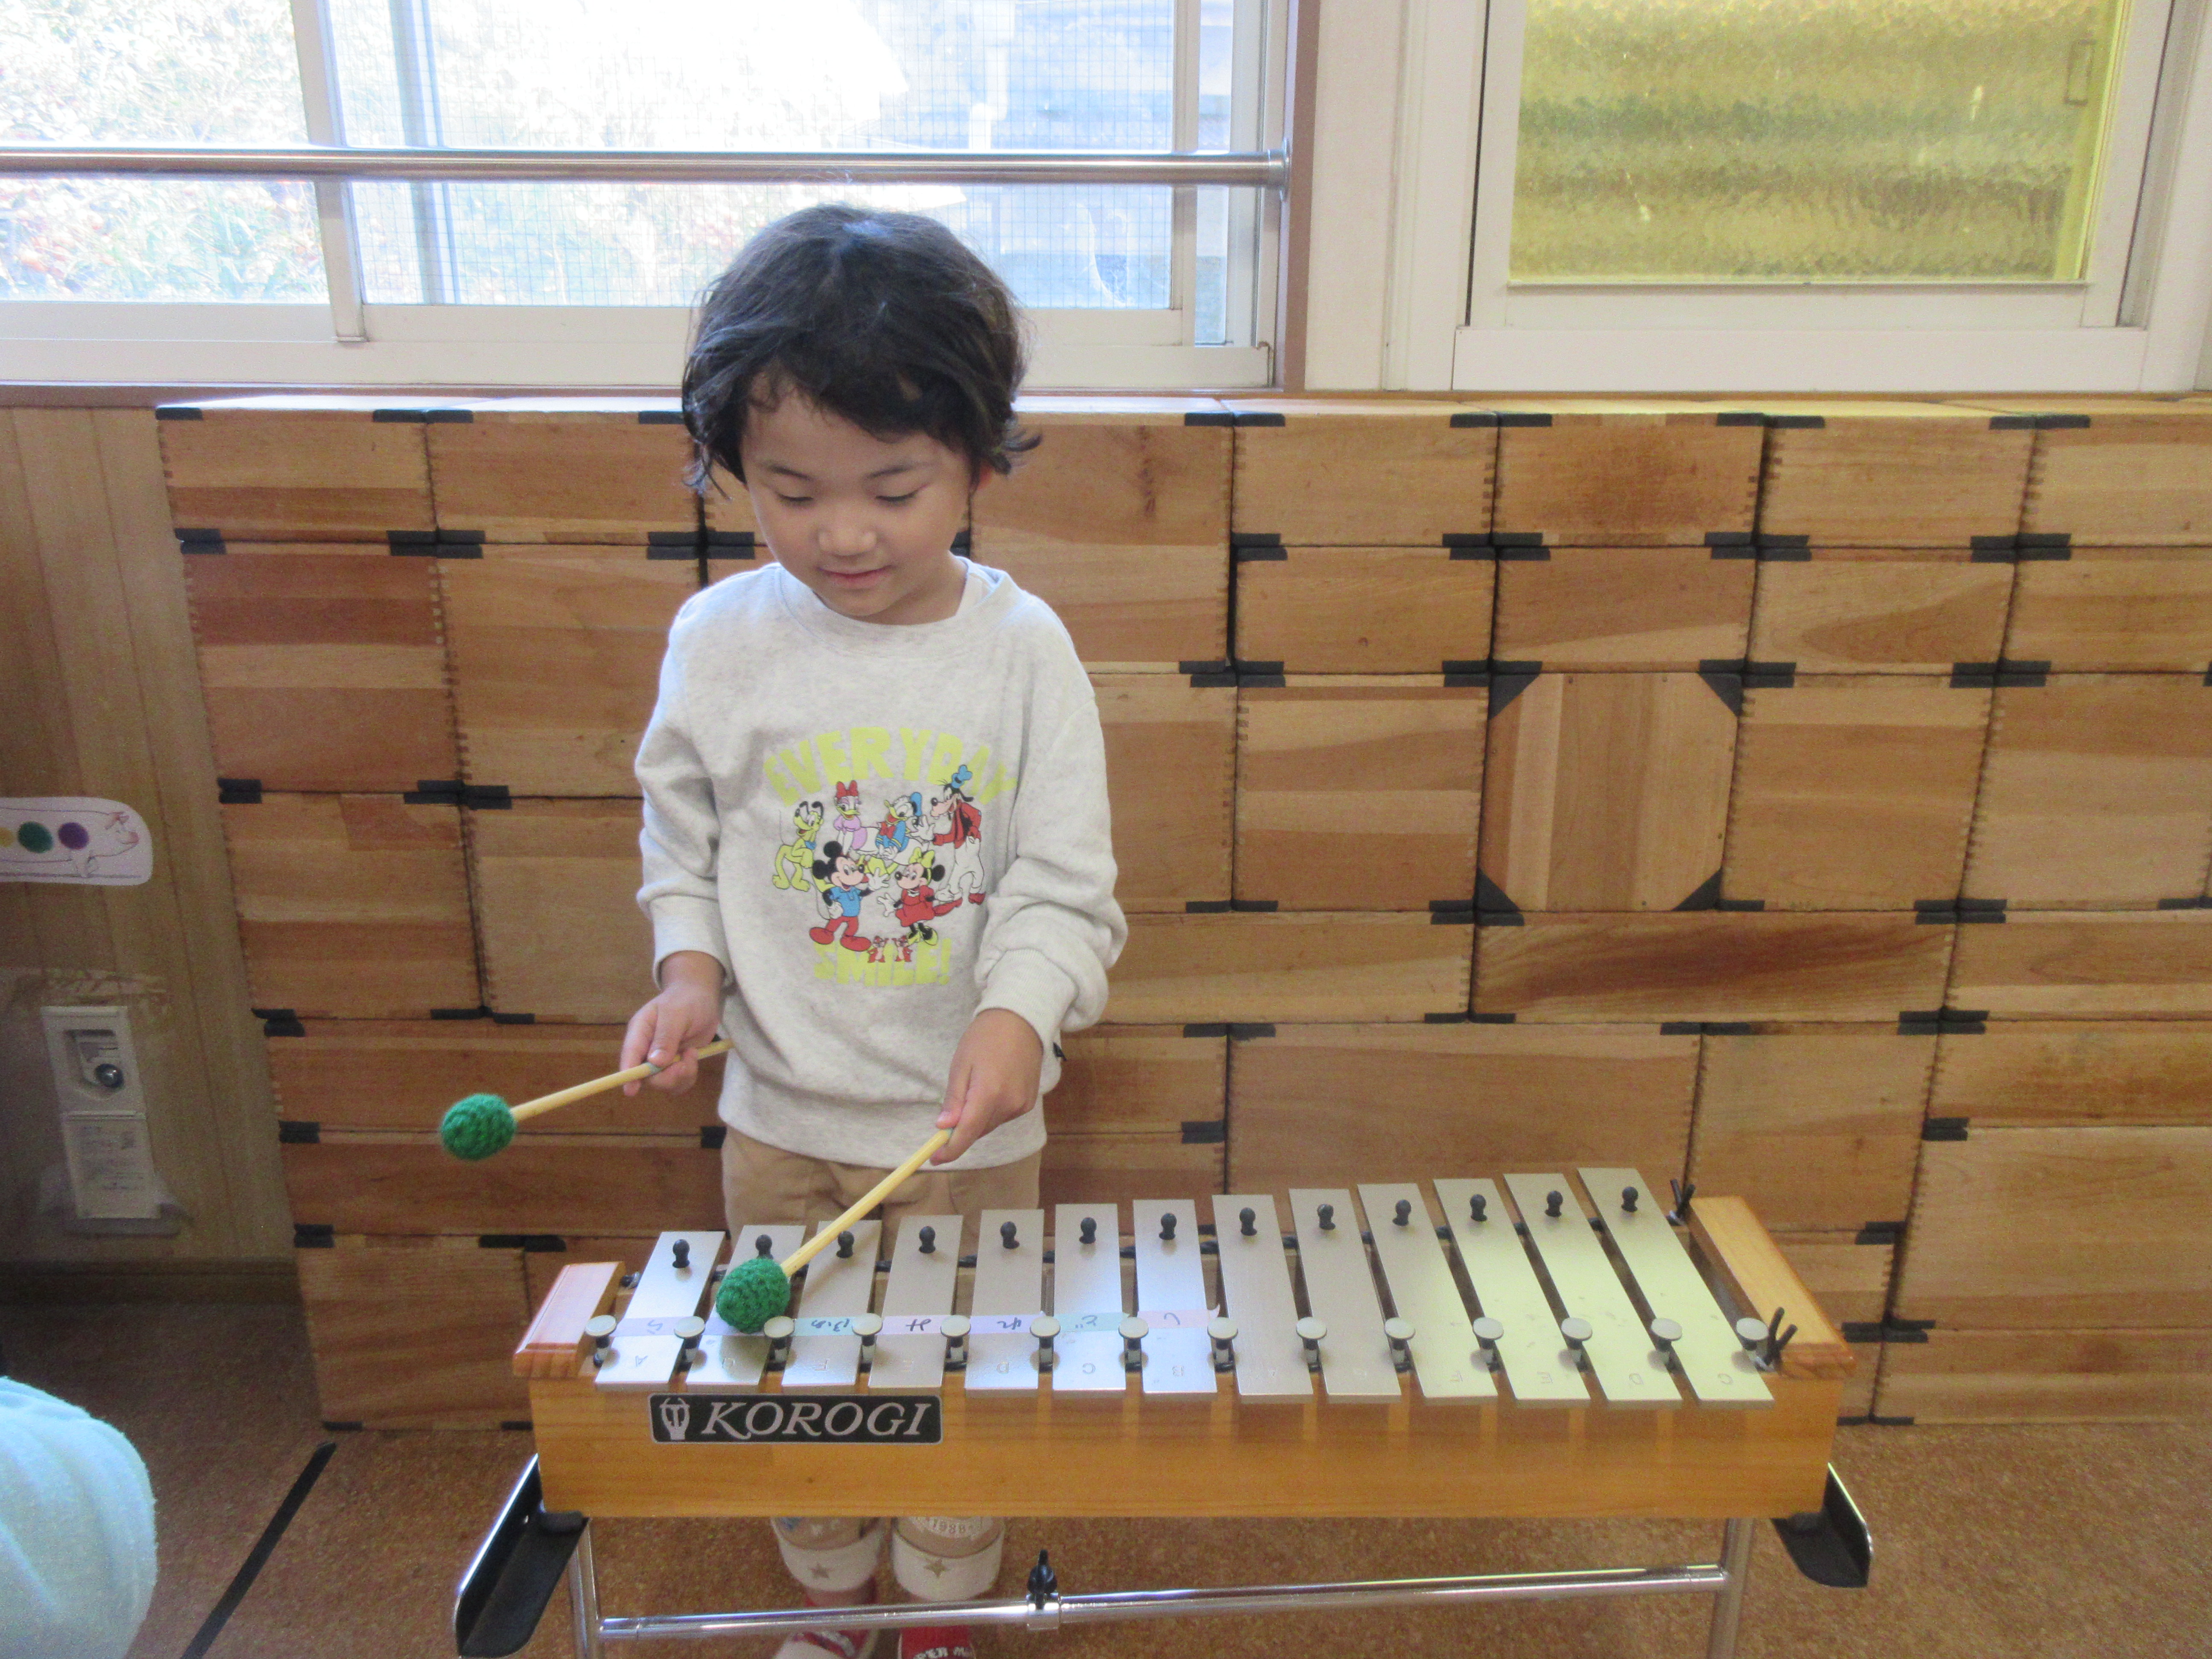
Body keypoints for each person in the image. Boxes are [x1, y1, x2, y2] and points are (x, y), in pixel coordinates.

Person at [621, 204, 1126, 1659]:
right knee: (805, 1393)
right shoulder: (719, 643)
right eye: (790, 491)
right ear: (733, 468)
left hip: (961, 1144)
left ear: (978, 462)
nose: (842, 533)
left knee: (959, 1394)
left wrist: (1019, 1012)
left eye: (893, 490)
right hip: (778, 1121)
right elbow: (683, 843)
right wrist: (689, 974)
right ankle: (838, 1616)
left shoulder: (1021, 654)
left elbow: (1066, 883)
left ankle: (943, 1625)